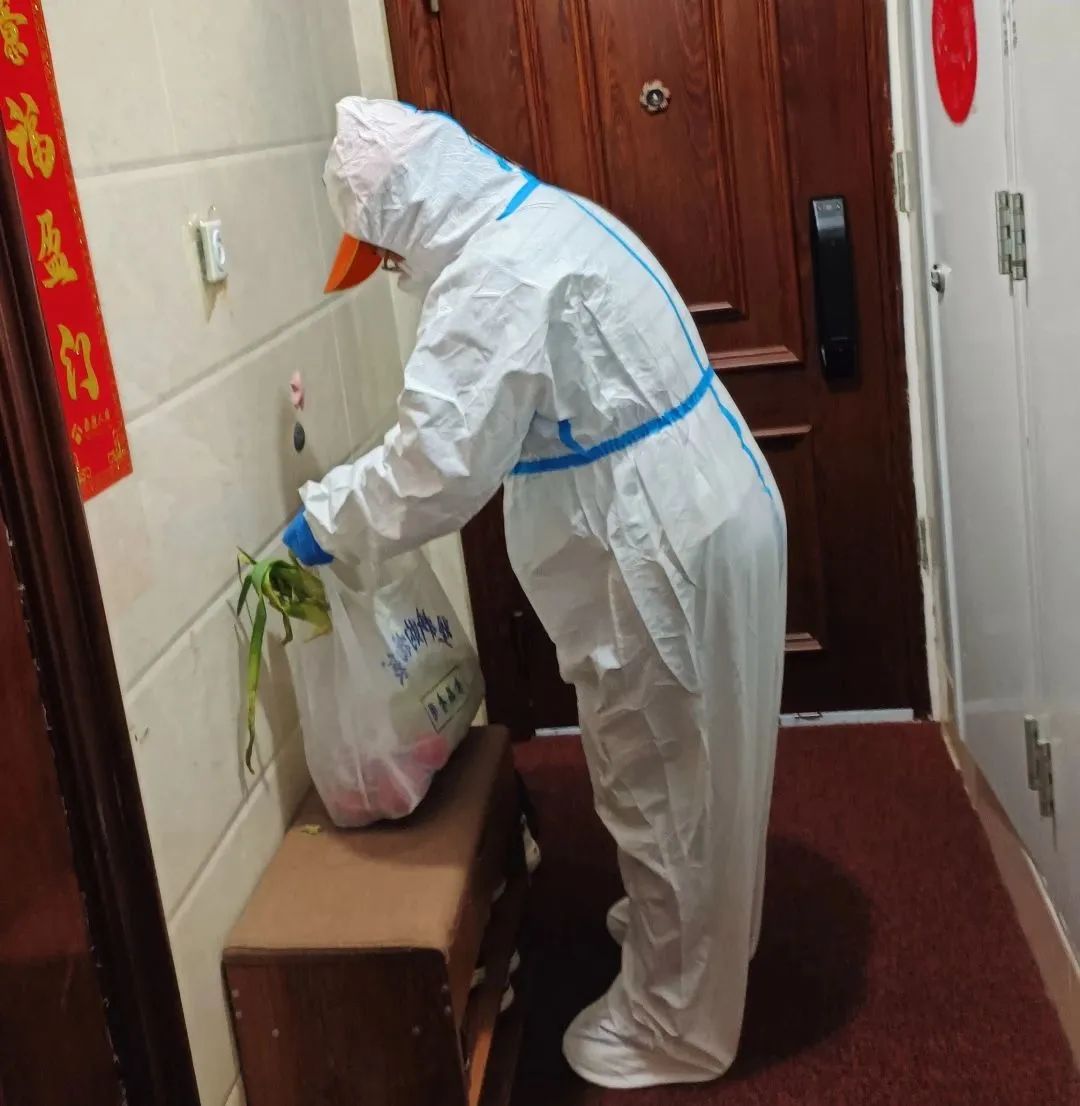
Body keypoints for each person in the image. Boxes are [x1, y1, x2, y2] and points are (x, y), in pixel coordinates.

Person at [284, 97, 787, 1090]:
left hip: (657, 551)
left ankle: (673, 1023)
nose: (392, 271)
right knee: (702, 768)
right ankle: (698, 948)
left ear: (409, 210)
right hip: (701, 511)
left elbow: (435, 466)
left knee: (661, 778)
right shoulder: (542, 219)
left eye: (383, 252)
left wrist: (329, 521)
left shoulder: (491, 277)